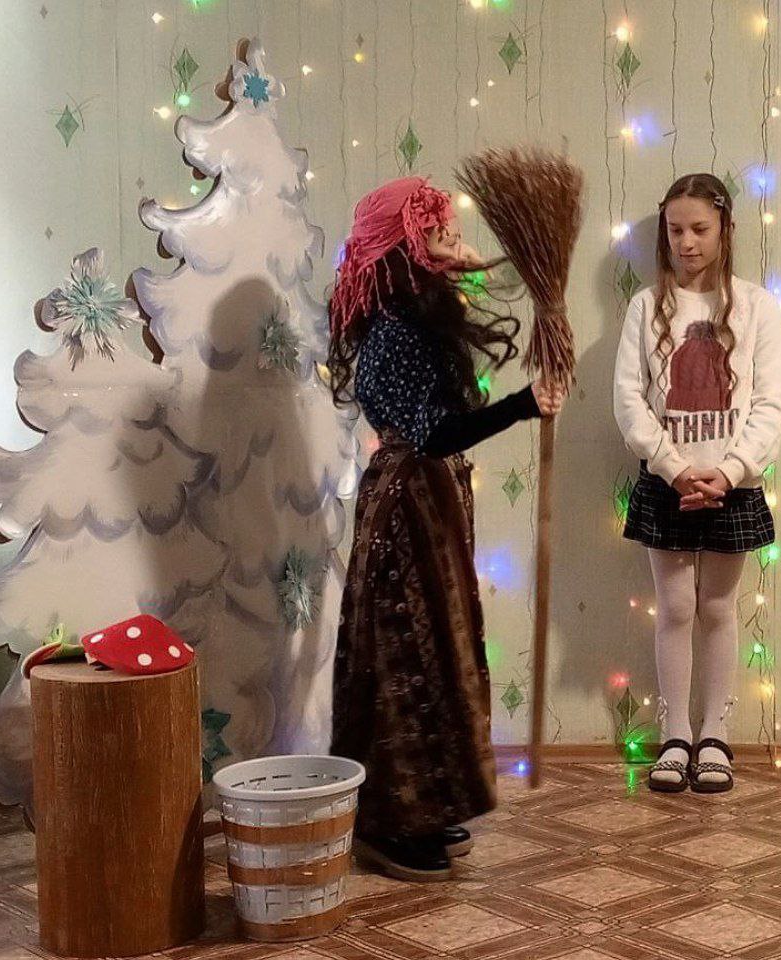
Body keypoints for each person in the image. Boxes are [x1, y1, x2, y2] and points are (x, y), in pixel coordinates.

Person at [326, 177, 565, 878]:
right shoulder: (395, 332)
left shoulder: (420, 319)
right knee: (407, 655)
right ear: (406, 251)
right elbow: (433, 433)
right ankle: (391, 820)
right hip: (409, 507)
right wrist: (522, 405)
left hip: (430, 500)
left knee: (440, 649)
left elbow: (447, 414)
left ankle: (426, 806)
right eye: (440, 235)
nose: (457, 243)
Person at [614, 173, 781, 794]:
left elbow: (771, 402)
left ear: (726, 230)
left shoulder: (757, 306)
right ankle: (674, 737)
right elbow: (630, 399)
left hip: (732, 486)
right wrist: (674, 467)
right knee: (675, 607)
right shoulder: (646, 307)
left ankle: (714, 734)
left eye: (699, 229)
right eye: (675, 230)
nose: (686, 242)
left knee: (717, 607)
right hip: (667, 483)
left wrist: (730, 470)